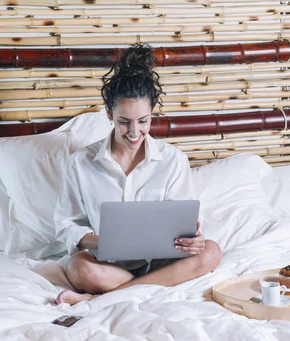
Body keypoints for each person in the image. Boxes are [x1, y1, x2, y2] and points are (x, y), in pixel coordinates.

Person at [35, 44, 222, 306]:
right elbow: (67, 225)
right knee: (79, 268)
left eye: (143, 121)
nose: (134, 132)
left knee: (211, 252)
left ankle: (96, 300)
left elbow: (186, 224)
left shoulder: (172, 160)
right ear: (110, 113)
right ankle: (149, 288)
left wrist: (193, 242)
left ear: (151, 114)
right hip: (108, 265)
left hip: (161, 263)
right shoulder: (81, 163)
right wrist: (105, 241)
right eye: (125, 122)